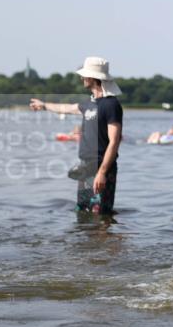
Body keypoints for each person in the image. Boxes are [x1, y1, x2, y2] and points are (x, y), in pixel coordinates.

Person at [30, 56, 123, 215]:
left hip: (101, 168)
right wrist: (44, 105)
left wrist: (102, 173)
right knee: (82, 212)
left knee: (100, 216)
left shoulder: (111, 105)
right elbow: (66, 108)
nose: (81, 78)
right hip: (85, 168)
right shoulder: (89, 103)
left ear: (93, 77)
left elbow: (114, 141)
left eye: (84, 75)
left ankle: (107, 232)